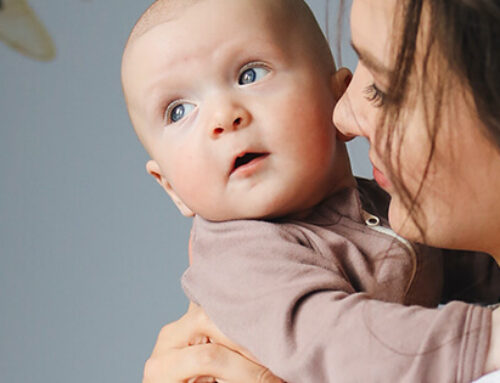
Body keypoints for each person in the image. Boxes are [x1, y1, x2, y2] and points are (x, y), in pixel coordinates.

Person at [120, 0, 500, 382]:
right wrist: (487, 340)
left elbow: (465, 264)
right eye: (178, 111)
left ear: (334, 97)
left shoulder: (378, 206)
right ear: (171, 187)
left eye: (250, 74)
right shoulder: (243, 259)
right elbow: (342, 344)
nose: (223, 117)